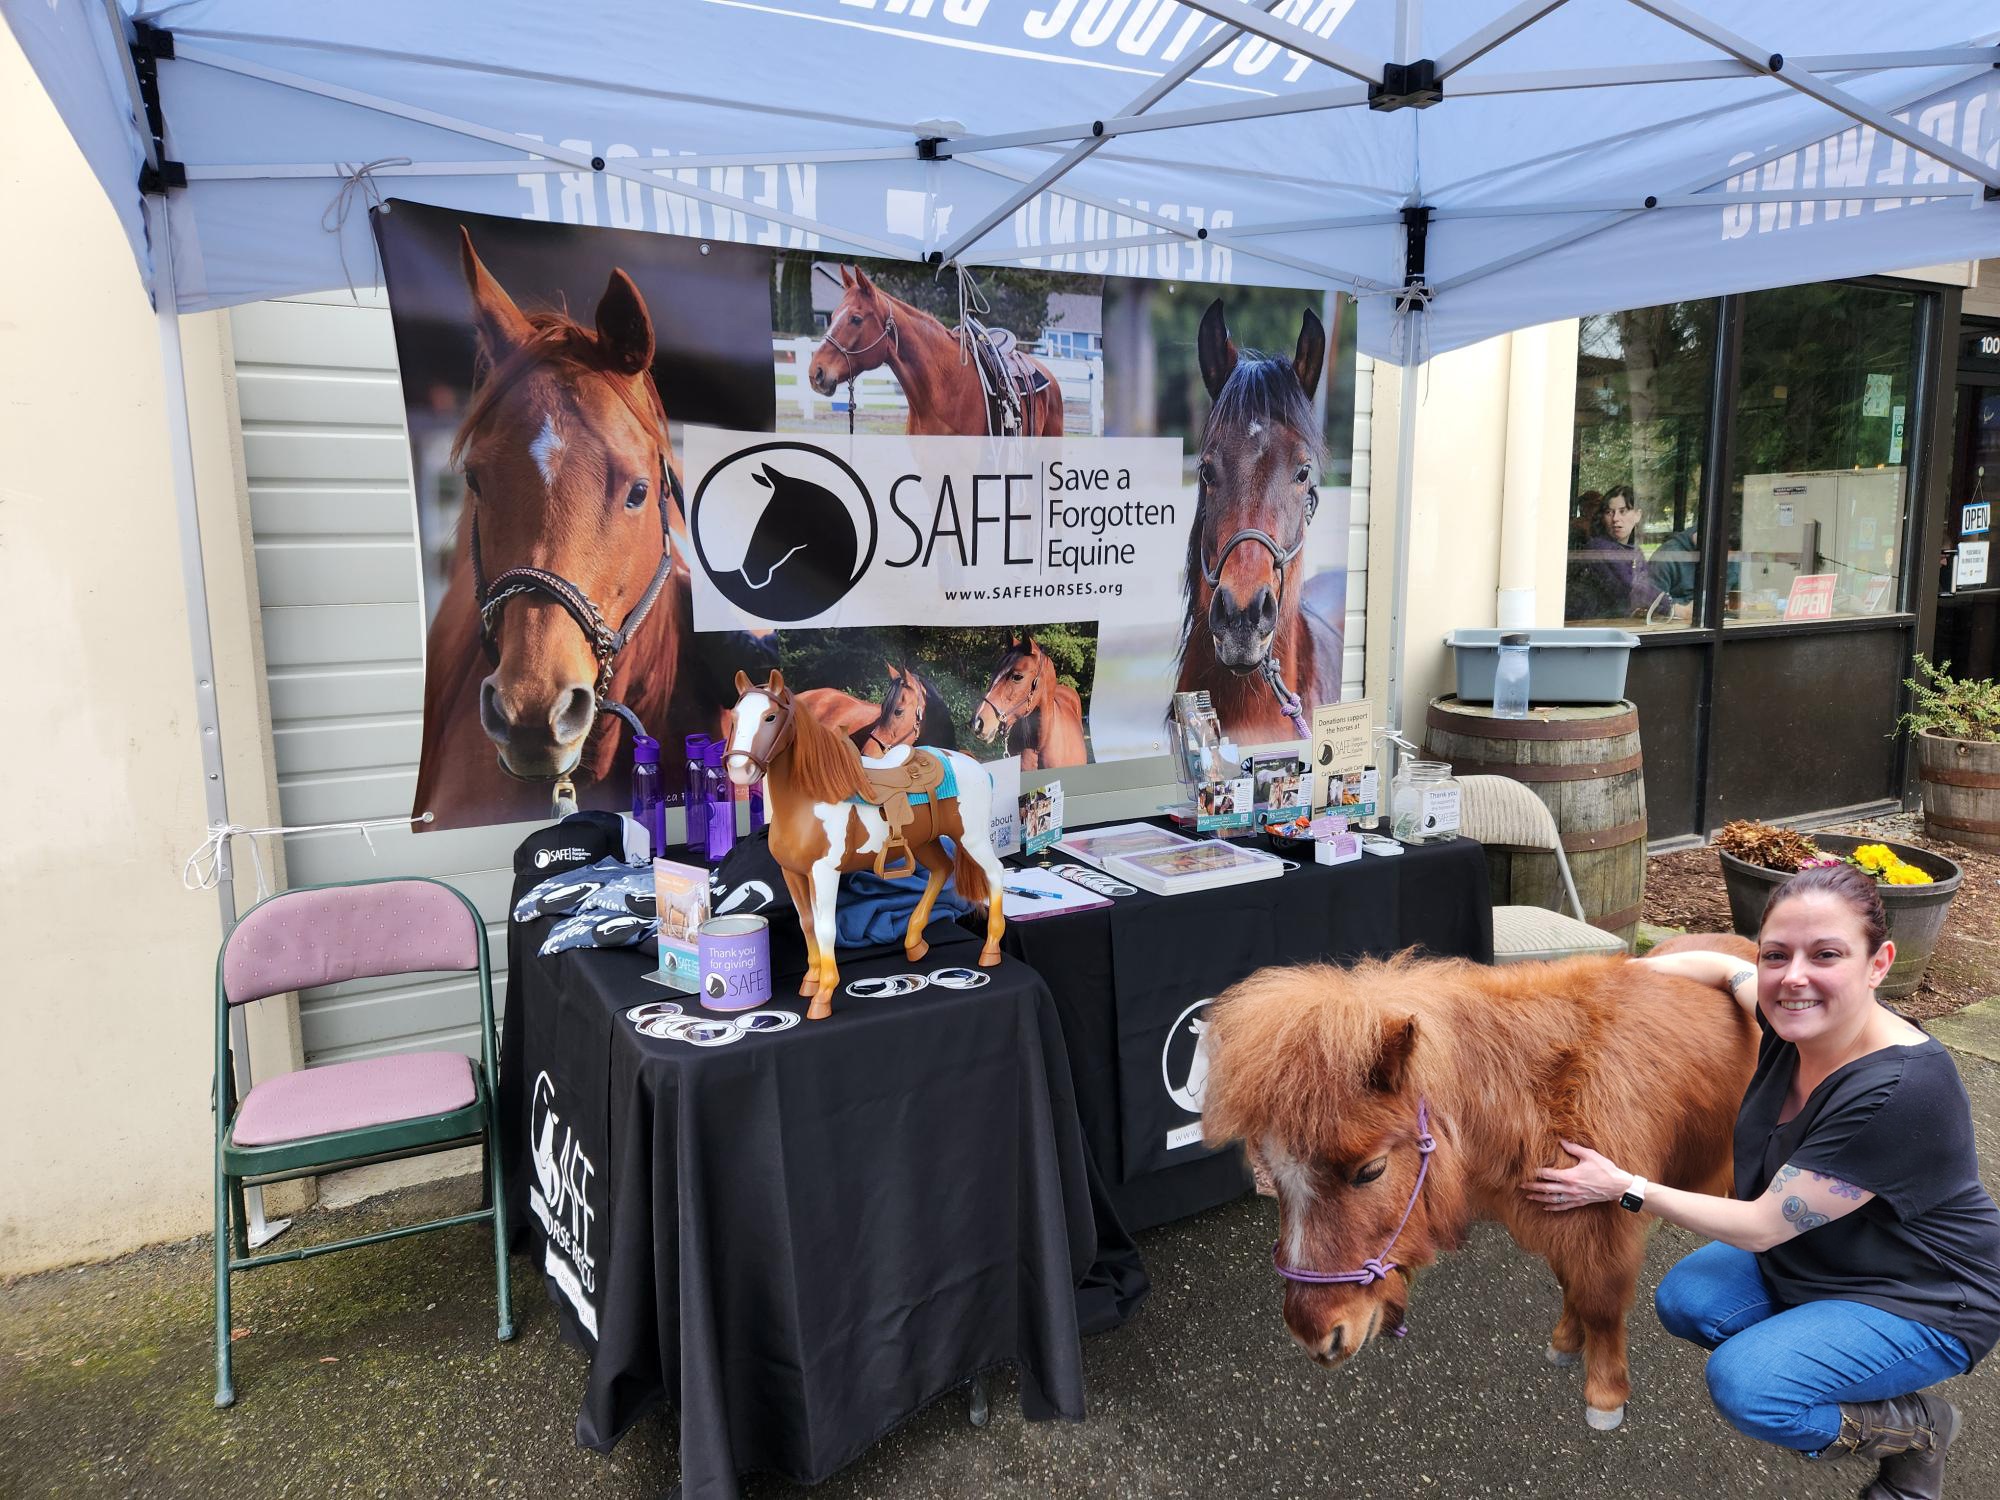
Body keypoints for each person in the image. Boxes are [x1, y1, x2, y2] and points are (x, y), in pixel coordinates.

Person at [1527, 865, 2000, 1499]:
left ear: (1878, 963)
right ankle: (1826, 1358)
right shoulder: (1792, 1022)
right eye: (1778, 954)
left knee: (1749, 1386)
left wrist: (1622, 1185)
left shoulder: (1898, 1091)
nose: (1794, 976)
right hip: (1822, 1255)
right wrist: (1610, 982)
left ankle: (1917, 1429)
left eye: (1826, 954)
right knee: (1688, 1299)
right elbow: (1724, 970)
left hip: (1925, 1293)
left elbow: (1761, 1227)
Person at [1565, 484, 1664, 621]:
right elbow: (1633, 588)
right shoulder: (1599, 547)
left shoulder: (1635, 551)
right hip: (1587, 628)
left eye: (1623, 511)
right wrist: (1672, 606)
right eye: (1609, 512)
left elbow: (1647, 586)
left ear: (1637, 515)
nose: (1615, 518)